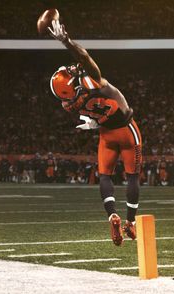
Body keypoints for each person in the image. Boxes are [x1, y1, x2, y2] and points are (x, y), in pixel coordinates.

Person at [48, 19, 142, 246]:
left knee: (105, 176)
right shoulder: (93, 81)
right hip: (127, 129)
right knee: (132, 176)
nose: (70, 69)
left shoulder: (70, 104)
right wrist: (66, 41)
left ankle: (112, 214)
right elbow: (84, 57)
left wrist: (93, 124)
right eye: (68, 72)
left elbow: (94, 111)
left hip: (106, 135)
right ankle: (130, 221)